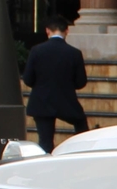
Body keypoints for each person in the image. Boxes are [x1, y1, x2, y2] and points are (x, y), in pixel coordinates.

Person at [20, 8, 89, 152]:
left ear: (47, 31)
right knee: (82, 129)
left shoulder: (36, 50)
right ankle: (81, 152)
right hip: (67, 101)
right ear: (67, 31)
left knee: (45, 142)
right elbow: (81, 82)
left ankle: (46, 168)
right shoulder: (74, 53)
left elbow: (27, 79)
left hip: (42, 101)